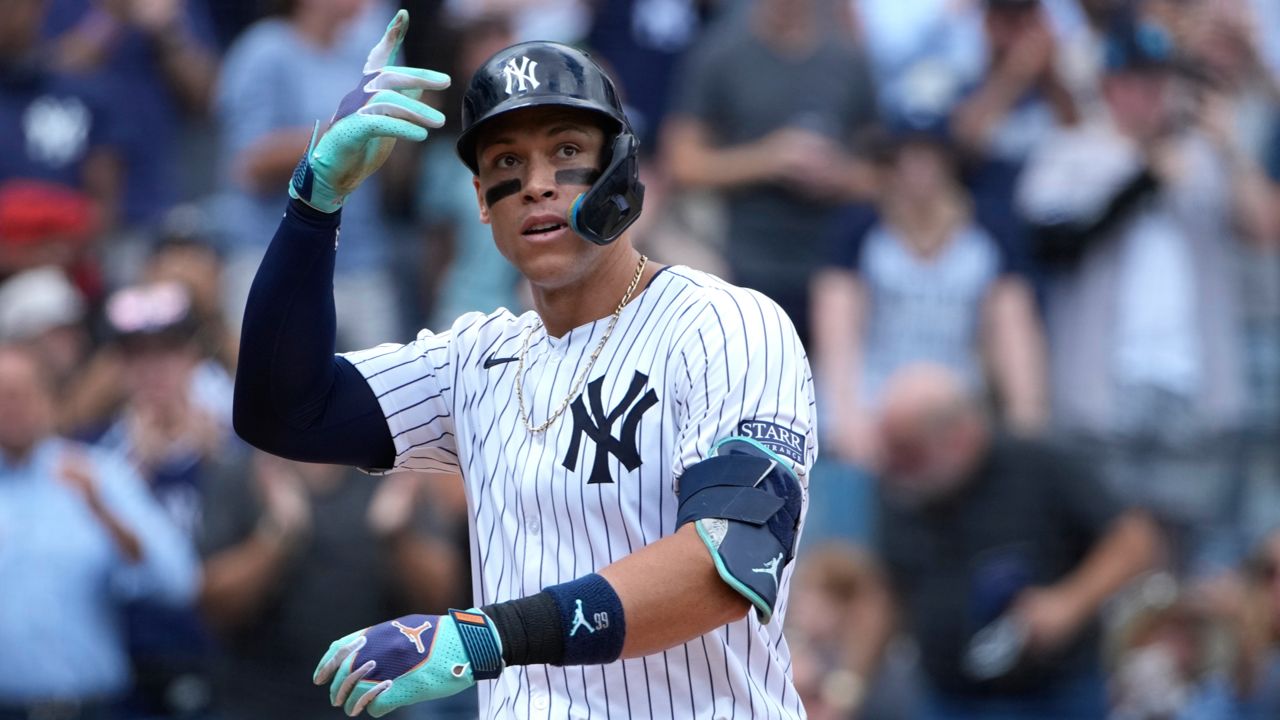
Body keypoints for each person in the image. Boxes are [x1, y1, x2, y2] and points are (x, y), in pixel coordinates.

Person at [232, 11, 815, 718]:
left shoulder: (726, 324)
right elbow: (282, 411)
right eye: (506, 162)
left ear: (621, 171)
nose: (537, 184)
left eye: (566, 149)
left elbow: (731, 561)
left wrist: (484, 638)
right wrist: (314, 203)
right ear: (480, 201)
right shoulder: (475, 358)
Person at [1016, 14, 1271, 572]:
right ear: (1108, 88)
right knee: (1107, 547)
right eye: (1137, 82)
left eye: (1160, 82)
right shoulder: (1070, 153)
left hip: (1195, 395)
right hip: (1102, 397)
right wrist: (1145, 179)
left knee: (1195, 558)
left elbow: (1264, 229)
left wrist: (1230, 149)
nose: (1152, 96)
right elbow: (1055, 244)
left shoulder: (1205, 158)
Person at [866, 364, 1160, 720]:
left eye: (908, 451)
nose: (895, 466)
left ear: (958, 437)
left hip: (1054, 696)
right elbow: (886, 590)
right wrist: (848, 684)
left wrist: (1068, 602)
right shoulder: (900, 487)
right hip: (947, 697)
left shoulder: (1038, 465)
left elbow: (1136, 539)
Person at [813, 123, 1046, 476]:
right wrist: (846, 418)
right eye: (907, 157)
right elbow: (836, 331)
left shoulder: (991, 230)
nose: (918, 169)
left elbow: (1013, 332)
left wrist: (1026, 421)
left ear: (949, 161)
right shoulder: (859, 227)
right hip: (875, 404)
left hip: (955, 410)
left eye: (929, 157)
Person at [661, 0, 878, 346]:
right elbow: (682, 162)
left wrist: (837, 174)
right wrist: (769, 158)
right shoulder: (721, 51)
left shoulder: (847, 59)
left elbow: (883, 176)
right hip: (741, 259)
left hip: (833, 268)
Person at [0, 343, 197, 719]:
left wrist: (103, 512)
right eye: (1, 396)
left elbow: (177, 582)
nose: (11, 407)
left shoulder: (99, 475)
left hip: (95, 707)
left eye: (21, 394)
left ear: (50, 399)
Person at [199, 456, 473, 720]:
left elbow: (443, 600)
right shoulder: (247, 474)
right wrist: (275, 537)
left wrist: (398, 536)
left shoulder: (389, 472)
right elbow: (212, 608)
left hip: (375, 703)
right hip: (259, 701)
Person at [214, 0, 403, 350]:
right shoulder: (265, 49)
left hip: (362, 259)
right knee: (271, 395)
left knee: (382, 397)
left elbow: (396, 175)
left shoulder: (367, 50)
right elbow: (249, 166)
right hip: (274, 256)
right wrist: (339, 132)